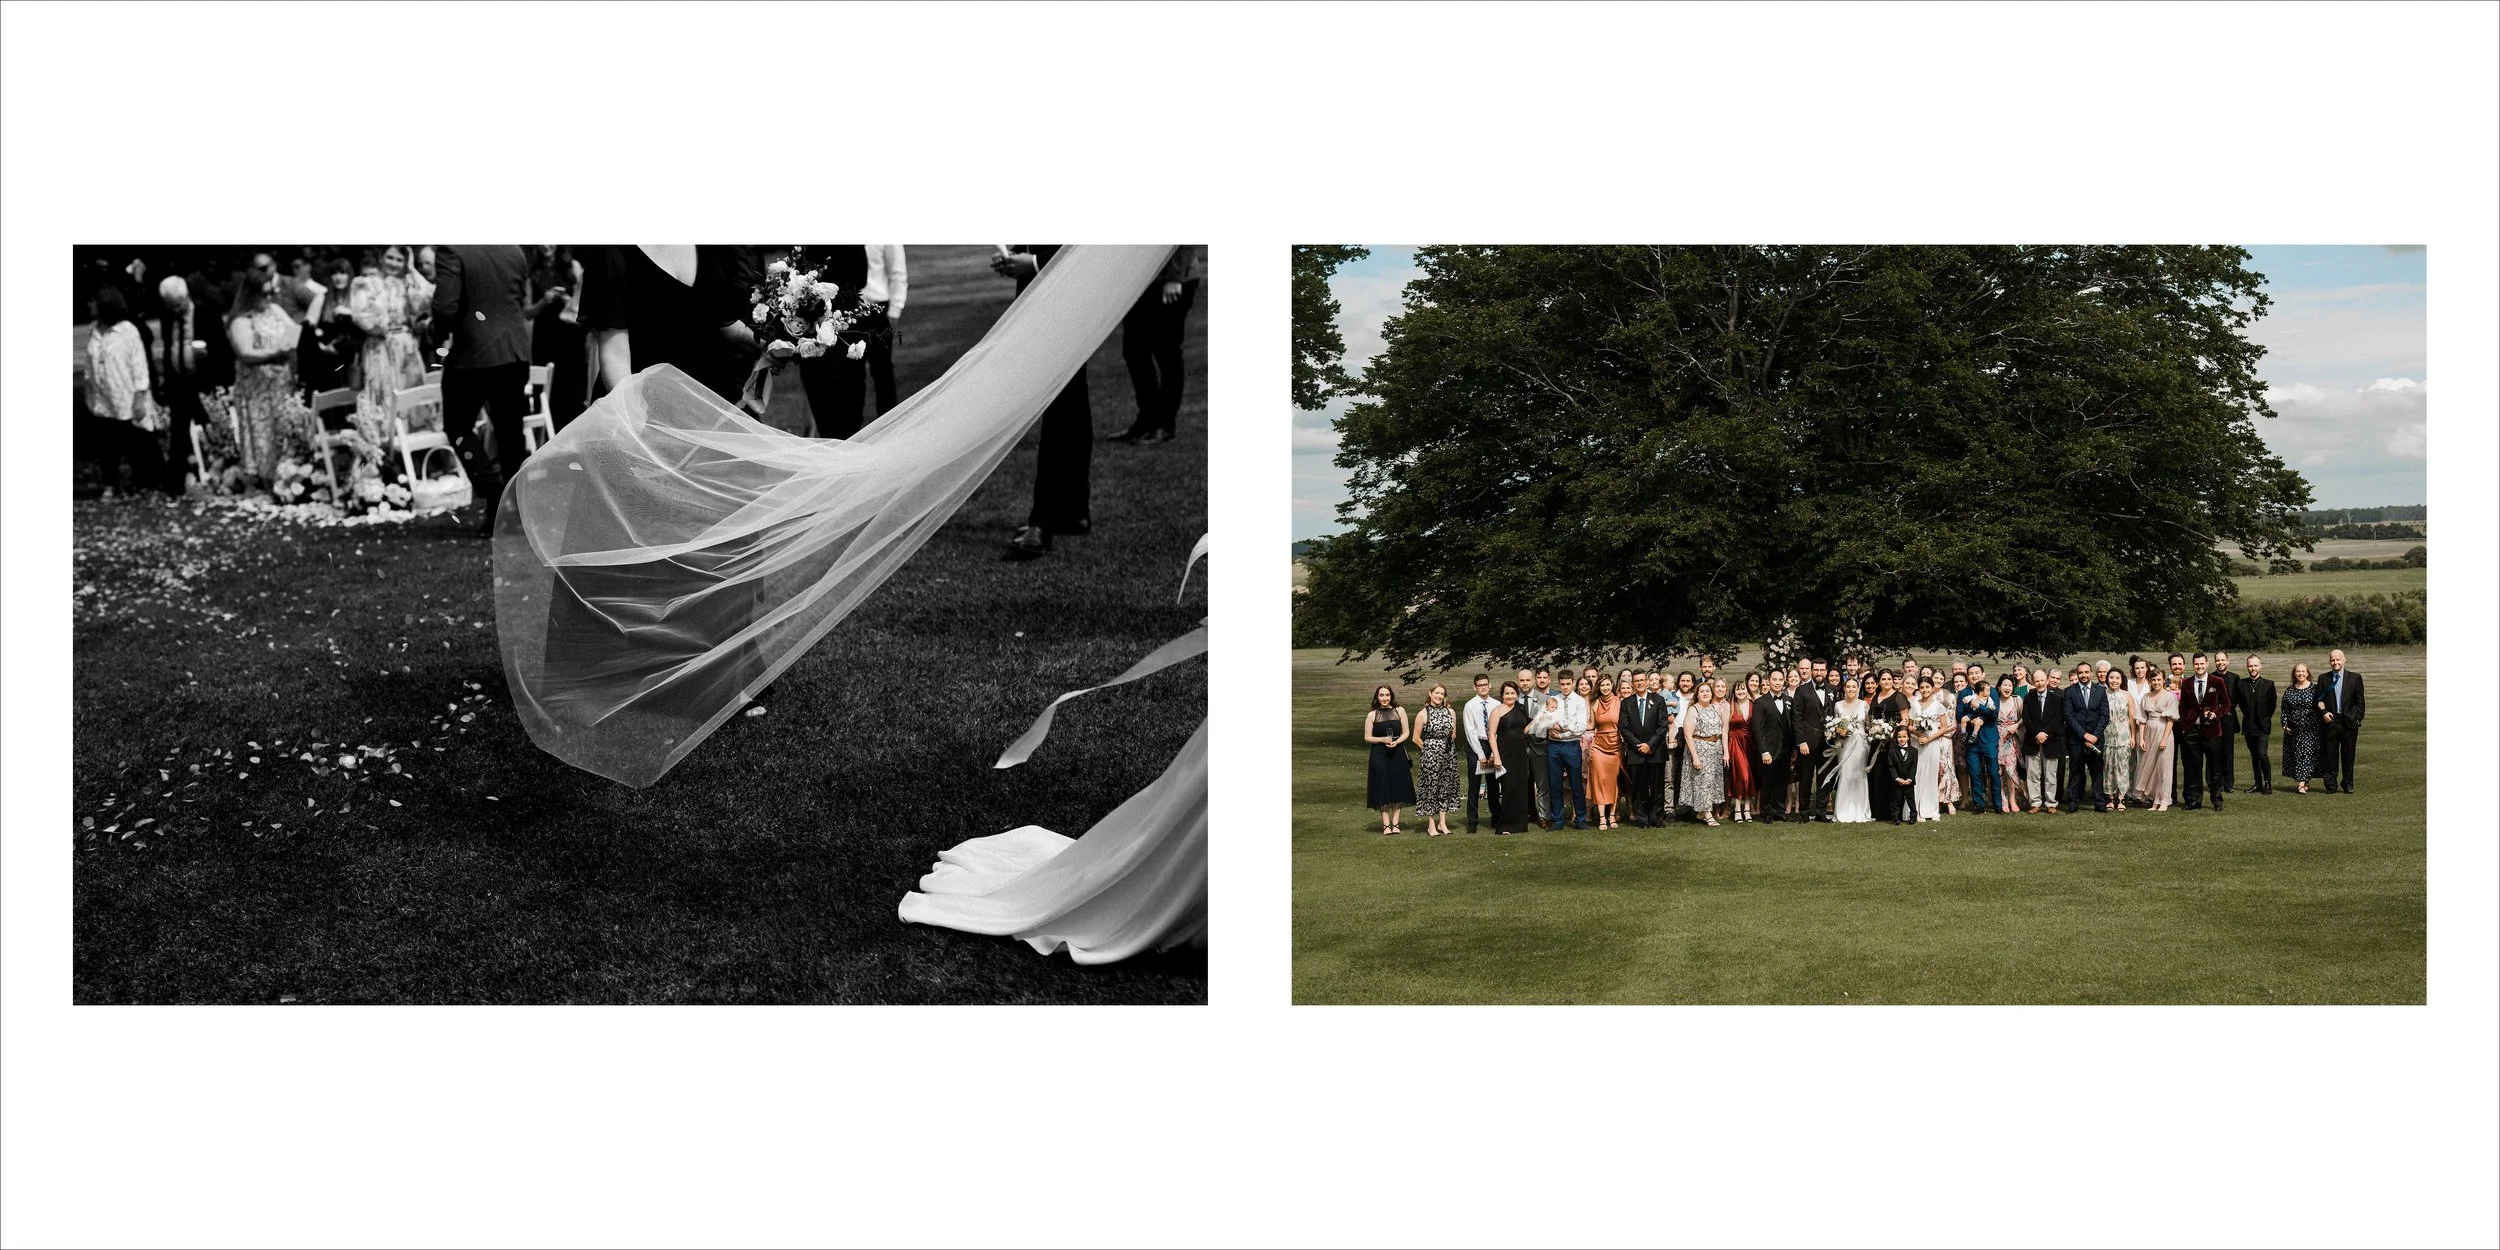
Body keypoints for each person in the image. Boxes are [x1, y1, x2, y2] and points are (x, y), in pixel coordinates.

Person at [996, 246, 1096, 560]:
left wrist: (1035, 263)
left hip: (1066, 295)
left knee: (1061, 409)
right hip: (1042, 292)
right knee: (1073, 403)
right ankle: (1073, 509)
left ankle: (1044, 521)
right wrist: (1017, 257)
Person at [431, 244, 535, 537]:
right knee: (510, 433)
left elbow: (444, 306)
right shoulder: (514, 250)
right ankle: (510, 513)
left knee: (457, 425)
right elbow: (518, 299)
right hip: (515, 350)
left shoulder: (452, 249)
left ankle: (494, 492)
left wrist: (437, 336)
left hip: (473, 352)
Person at [581, 244, 764, 405]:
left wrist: (777, 343)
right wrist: (632, 416)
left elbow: (725, 323)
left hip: (706, 399)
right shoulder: (611, 250)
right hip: (645, 402)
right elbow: (614, 354)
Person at [81, 287, 168, 495]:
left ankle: (148, 481)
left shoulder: (127, 330)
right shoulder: (94, 329)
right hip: (102, 397)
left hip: (127, 394)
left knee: (138, 440)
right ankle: (111, 483)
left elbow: (139, 365)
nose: (89, 306)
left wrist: (140, 397)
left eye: (93, 301)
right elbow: (89, 363)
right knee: (106, 442)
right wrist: (88, 389)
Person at [1112, 244, 1202, 444]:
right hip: (1143, 282)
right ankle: (1147, 421)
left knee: (1167, 352)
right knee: (1134, 351)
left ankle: (1165, 425)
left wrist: (1175, 277)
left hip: (1173, 280)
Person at [225, 268, 300, 486]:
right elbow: (246, 352)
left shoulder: (275, 310)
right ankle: (266, 477)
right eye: (263, 294)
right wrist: (276, 352)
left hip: (281, 382)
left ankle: (288, 474)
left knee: (284, 427)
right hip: (257, 387)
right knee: (263, 431)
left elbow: (294, 330)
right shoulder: (241, 321)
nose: (268, 298)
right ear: (250, 294)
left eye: (271, 293)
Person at [348, 244, 435, 422]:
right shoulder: (367, 283)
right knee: (384, 395)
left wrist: (412, 269)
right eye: (390, 258)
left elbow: (430, 297)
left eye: (399, 260)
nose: (394, 264)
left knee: (411, 395)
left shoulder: (407, 283)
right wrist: (389, 326)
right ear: (380, 257)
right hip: (380, 347)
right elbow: (361, 316)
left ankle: (414, 443)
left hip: (406, 349)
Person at [524, 245, 591, 431]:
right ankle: (547, 437)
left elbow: (585, 300)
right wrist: (543, 301)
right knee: (548, 392)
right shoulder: (532, 272)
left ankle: (574, 435)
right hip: (545, 339)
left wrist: (568, 300)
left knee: (574, 391)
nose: (546, 245)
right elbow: (526, 312)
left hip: (571, 338)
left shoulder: (573, 266)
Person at [2178, 653, 2231, 811]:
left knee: (2214, 768)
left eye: (2202, 664)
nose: (2199, 666)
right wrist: (2185, 724)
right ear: (2192, 665)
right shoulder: (2186, 683)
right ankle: (2195, 800)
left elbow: (2226, 703)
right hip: (2192, 731)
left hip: (2212, 731)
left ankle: (2216, 799)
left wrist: (2217, 714)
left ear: (2207, 664)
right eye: (2196, 664)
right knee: (2194, 768)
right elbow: (2183, 706)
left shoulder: (2217, 681)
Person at [1363, 685, 1415, 835]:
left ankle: (1396, 823)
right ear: (1377, 697)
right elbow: (1367, 737)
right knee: (1382, 786)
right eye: (1381, 695)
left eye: (1387, 695)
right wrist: (1382, 739)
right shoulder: (1372, 715)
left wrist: (1397, 742)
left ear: (1391, 696)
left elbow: (1406, 732)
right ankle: (1386, 824)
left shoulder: (1400, 711)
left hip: (1397, 752)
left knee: (1398, 785)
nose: (1385, 698)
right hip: (1379, 754)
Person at [1542, 676, 1592, 829]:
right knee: (1555, 783)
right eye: (1562, 684)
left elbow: (1581, 727)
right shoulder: (1553, 699)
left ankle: (1580, 819)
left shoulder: (1579, 701)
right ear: (1559, 683)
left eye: (1568, 684)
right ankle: (1558, 820)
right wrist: (1554, 728)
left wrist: (1562, 733)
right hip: (1554, 746)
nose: (1564, 687)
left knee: (1575, 783)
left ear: (1573, 683)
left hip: (1571, 745)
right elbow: (1546, 719)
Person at [1619, 671, 1668, 827]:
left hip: (1656, 751)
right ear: (1633, 683)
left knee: (1657, 787)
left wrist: (1650, 745)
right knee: (1639, 788)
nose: (1639, 683)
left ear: (1647, 682)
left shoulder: (1658, 700)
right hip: (1636, 752)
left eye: (1642, 680)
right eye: (1636, 681)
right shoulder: (1626, 703)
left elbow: (1663, 726)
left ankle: (1656, 818)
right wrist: (1638, 745)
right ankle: (1642, 818)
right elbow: (1624, 728)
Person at [1413, 683, 1461, 837]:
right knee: (1431, 789)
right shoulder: (1423, 713)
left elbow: (1453, 733)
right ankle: (1431, 825)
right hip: (1431, 758)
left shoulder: (1450, 712)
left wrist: (1446, 747)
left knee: (1445, 787)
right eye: (1437, 693)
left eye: (1442, 693)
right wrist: (1429, 750)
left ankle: (1443, 823)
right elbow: (1415, 738)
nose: (1439, 696)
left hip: (1449, 756)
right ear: (1430, 693)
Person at [2063, 662, 2110, 813]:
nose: (2083, 675)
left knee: (2096, 771)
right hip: (2077, 739)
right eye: (2080, 673)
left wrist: (2094, 735)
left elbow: (2105, 715)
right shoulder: (2069, 691)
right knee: (2075, 771)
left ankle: (2099, 803)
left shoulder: (2100, 691)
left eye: (2086, 672)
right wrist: (2084, 735)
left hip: (2096, 739)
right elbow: (2069, 717)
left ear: (2091, 673)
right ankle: (2072, 802)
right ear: (2077, 674)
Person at [1487, 682, 1534, 834]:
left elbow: (1525, 729)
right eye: (1507, 693)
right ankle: (1505, 825)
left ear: (1517, 694)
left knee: (1521, 788)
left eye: (1513, 693)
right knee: (1508, 788)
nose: (1510, 696)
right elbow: (1492, 736)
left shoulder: (1520, 709)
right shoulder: (1497, 711)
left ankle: (1520, 825)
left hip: (1520, 754)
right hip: (1505, 753)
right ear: (1502, 694)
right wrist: (1497, 757)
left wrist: (1540, 718)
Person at [2317, 649, 2365, 794]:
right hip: (2330, 722)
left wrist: (2357, 719)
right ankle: (2331, 785)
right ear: (2329, 661)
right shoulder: (2323, 678)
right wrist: (2323, 713)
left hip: (2349, 722)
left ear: (2344, 660)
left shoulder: (2355, 678)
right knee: (2330, 754)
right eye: (2332, 660)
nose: (2335, 662)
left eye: (2338, 659)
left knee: (2348, 754)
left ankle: (2348, 784)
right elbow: (2318, 700)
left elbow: (2360, 701)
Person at [1750, 675, 1796, 821]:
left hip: (1786, 749)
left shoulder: (1789, 701)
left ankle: (1779, 811)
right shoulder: (1760, 702)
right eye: (1774, 680)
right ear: (1769, 682)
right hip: (1768, 750)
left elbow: (1792, 726)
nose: (1777, 683)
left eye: (1780, 680)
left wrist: (1794, 748)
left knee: (1782, 781)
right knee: (1767, 781)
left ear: (1784, 682)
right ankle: (1766, 812)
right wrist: (1764, 751)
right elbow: (1758, 729)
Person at [1789, 664, 1831, 822]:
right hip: (1808, 743)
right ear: (1812, 671)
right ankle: (1804, 813)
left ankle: (1821, 811)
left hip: (1828, 744)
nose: (1819, 673)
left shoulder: (1832, 689)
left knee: (1824, 778)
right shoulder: (1802, 690)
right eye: (1816, 670)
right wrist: (1801, 742)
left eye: (1822, 670)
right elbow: (1797, 718)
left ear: (1826, 671)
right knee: (1806, 779)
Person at [1681, 679, 1726, 827]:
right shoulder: (1694, 709)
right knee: (1703, 782)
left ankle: (1701, 812)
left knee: (1711, 782)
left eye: (1707, 691)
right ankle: (1707, 814)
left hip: (1715, 750)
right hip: (1700, 750)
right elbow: (1688, 735)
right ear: (1697, 694)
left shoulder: (1714, 708)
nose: (1705, 693)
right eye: (1702, 691)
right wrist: (1695, 757)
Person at [2019, 667, 2064, 814]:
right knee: (2033, 775)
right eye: (2037, 681)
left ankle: (2051, 803)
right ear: (2033, 681)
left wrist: (2046, 734)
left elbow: (2058, 719)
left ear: (2047, 680)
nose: (2040, 683)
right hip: (2032, 742)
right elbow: (2026, 719)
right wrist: (2037, 734)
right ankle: (2035, 803)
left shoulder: (2057, 699)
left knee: (2051, 775)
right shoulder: (2028, 698)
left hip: (2051, 742)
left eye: (2042, 680)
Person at [1956, 666, 2000, 814]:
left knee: (1993, 773)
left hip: (1989, 739)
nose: (1974, 676)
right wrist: (1973, 721)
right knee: (1974, 773)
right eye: (1971, 673)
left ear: (1983, 674)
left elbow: (1994, 715)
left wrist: (1978, 707)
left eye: (1976, 673)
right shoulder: (1964, 693)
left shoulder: (1991, 691)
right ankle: (1978, 805)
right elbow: (1959, 715)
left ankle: (1997, 805)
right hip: (1971, 741)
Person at [1910, 674, 1953, 822]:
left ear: (1932, 688)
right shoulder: (1914, 705)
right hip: (1917, 743)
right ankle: (1916, 809)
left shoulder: (1938, 705)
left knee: (1930, 775)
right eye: (1921, 687)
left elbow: (1945, 727)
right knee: (1917, 774)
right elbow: (1909, 725)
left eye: (1927, 687)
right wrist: (1917, 733)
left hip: (1932, 743)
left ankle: (1931, 809)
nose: (1924, 690)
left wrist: (1929, 738)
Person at [1461, 673, 1499, 834]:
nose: (1483, 687)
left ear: (1490, 685)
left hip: (1492, 744)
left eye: (1485, 684)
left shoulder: (1496, 704)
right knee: (1474, 784)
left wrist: (1493, 753)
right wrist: (1481, 754)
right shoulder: (1470, 705)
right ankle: (1472, 821)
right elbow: (1470, 731)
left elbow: (1498, 729)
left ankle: (1496, 817)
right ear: (1474, 687)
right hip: (1477, 745)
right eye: (1479, 685)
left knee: (1493, 784)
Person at [1832, 676, 1872, 823]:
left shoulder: (1864, 705)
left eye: (1853, 687)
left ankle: (1860, 809)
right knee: (1845, 774)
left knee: (1859, 775)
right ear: (1844, 688)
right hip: (1844, 744)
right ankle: (1843, 809)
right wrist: (1838, 733)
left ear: (1858, 688)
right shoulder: (1838, 705)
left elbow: (1868, 726)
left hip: (1861, 744)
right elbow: (1835, 725)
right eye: (1848, 686)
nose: (1850, 689)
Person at [2237, 655, 2279, 795]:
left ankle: (2268, 782)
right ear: (2247, 666)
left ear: (2260, 666)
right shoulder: (2242, 684)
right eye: (2250, 666)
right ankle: (2257, 783)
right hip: (2249, 726)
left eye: (2255, 665)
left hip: (2262, 726)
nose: (2253, 668)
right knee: (2254, 755)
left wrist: (2264, 718)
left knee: (2262, 754)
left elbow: (2272, 705)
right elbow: (2241, 705)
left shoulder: (2268, 684)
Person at [1585, 675, 1622, 829]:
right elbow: (1591, 725)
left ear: (1612, 685)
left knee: (1613, 781)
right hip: (1599, 746)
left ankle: (1612, 815)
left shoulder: (1620, 702)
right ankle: (1601, 817)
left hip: (1615, 746)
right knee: (1599, 780)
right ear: (1598, 687)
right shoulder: (1594, 703)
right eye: (1602, 685)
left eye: (1607, 684)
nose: (1605, 688)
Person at [2281, 663, 2323, 794]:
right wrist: (2284, 724)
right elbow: (2284, 710)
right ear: (2294, 674)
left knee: (2306, 755)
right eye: (2298, 671)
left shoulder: (2315, 689)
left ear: (2308, 673)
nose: (2300, 674)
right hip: (2294, 729)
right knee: (2298, 755)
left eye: (2303, 671)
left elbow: (2321, 705)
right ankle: (2305, 781)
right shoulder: (2289, 690)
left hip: (2311, 728)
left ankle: (2301, 784)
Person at [2139, 671, 2178, 811]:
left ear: (2163, 680)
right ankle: (2154, 800)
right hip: (2149, 733)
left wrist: (2165, 739)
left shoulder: (2169, 697)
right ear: (2150, 681)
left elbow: (2170, 720)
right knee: (2150, 767)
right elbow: (2142, 719)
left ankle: (2164, 800)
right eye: (2153, 680)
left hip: (2163, 732)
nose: (2156, 682)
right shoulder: (2146, 697)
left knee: (2163, 768)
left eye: (2159, 679)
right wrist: (2141, 738)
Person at [1876, 707, 1920, 825]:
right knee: (1896, 800)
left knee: (1911, 800)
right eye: (1899, 737)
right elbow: (1891, 767)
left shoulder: (1914, 751)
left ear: (1908, 737)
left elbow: (1914, 766)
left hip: (1909, 781)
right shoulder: (1892, 751)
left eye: (1904, 737)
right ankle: (1895, 818)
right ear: (1896, 738)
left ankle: (1913, 817)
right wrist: (1897, 778)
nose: (1902, 739)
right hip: (1897, 781)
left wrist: (1910, 779)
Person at [1725, 671, 1758, 824]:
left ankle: (1747, 808)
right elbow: (1725, 730)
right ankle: (1738, 808)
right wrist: (1726, 752)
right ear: (1734, 691)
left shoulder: (1754, 705)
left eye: (1743, 689)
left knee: (1749, 776)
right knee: (1741, 775)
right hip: (1735, 743)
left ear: (1747, 690)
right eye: (1738, 689)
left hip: (1750, 745)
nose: (1741, 691)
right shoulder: (1730, 706)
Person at [2101, 668, 2135, 810]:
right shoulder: (2102, 695)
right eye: (2111, 677)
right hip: (2107, 735)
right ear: (2107, 679)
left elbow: (2131, 717)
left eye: (2117, 678)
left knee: (2122, 766)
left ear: (2121, 680)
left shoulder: (2127, 695)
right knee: (2108, 766)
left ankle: (2121, 798)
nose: (2114, 680)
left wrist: (2133, 736)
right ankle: (2110, 797)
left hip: (2123, 735)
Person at [1524, 667, 1553, 825]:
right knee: (1525, 783)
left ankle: (1544, 816)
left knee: (1543, 784)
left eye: (1544, 677)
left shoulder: (1548, 699)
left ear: (1549, 679)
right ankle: (1529, 812)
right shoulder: (1519, 697)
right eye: (1539, 677)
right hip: (1522, 746)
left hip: (1541, 745)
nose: (1541, 680)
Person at [1993, 675, 2026, 812]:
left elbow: (2025, 717)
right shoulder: (1994, 700)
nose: (2007, 688)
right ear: (1999, 687)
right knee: (1999, 771)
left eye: (2010, 685)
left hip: (2012, 740)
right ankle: (2003, 800)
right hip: (1997, 739)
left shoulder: (2017, 699)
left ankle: (2013, 799)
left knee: (2010, 770)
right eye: (2005, 685)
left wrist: (2016, 725)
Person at [2212, 649, 2242, 794]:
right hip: (2213, 720)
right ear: (2215, 662)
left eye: (2223, 660)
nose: (2220, 662)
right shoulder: (2210, 677)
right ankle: (2214, 782)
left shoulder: (2235, 678)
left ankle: (2228, 784)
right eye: (2218, 660)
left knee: (2228, 752)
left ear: (2227, 661)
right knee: (2214, 752)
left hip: (2229, 719)